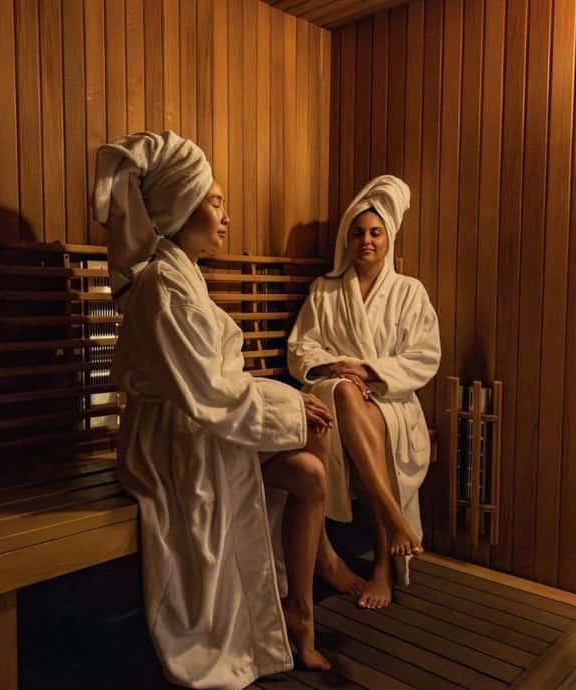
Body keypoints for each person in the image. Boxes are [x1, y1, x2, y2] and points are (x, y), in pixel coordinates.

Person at [93, 131, 361, 689]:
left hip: (202, 427)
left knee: (312, 461)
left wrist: (292, 405)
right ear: (180, 205)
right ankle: (304, 601)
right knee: (310, 439)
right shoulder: (165, 287)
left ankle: (301, 606)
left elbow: (214, 386)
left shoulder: (180, 274)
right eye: (215, 202)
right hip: (172, 446)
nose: (226, 216)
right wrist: (290, 403)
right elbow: (210, 392)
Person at [287, 175, 441, 610]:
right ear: (346, 239)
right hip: (332, 392)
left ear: (388, 237)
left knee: (361, 405)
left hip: (387, 399)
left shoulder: (410, 293)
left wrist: (367, 369)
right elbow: (301, 348)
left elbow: (425, 356)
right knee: (347, 395)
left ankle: (382, 559)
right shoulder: (325, 290)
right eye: (357, 232)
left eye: (375, 232)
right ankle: (390, 531)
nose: (366, 240)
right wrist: (337, 367)